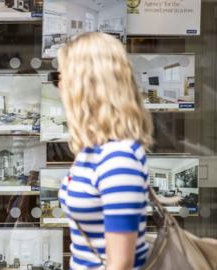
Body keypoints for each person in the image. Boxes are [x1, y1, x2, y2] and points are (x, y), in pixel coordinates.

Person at [57, 32, 154, 270]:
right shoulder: (94, 150)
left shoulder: (119, 159)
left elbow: (120, 264)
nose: (58, 85)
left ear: (84, 85)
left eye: (60, 77)